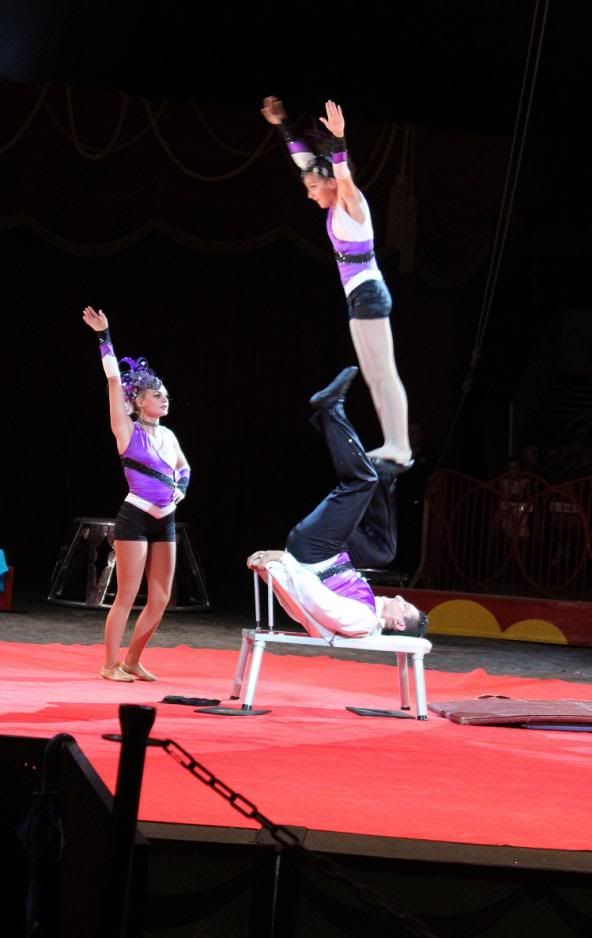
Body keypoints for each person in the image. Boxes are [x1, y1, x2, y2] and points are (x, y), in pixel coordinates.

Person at [261, 95, 412, 471]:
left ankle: (401, 445)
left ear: (329, 182)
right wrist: (282, 126)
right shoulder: (330, 195)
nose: (310, 194)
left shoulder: (351, 201)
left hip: (370, 294)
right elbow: (307, 162)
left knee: (385, 371)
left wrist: (340, 141)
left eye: (314, 188)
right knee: (374, 376)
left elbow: (340, 174)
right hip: (359, 298)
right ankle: (392, 442)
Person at [247, 367, 428, 640]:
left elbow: (318, 601)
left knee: (361, 482)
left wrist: (284, 562)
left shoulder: (362, 620)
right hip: (331, 552)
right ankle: (384, 478)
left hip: (312, 551)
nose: (401, 597)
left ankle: (330, 409)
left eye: (404, 607)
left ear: (399, 624)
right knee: (383, 552)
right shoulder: (369, 608)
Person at [83, 305, 191, 681]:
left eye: (166, 396)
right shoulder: (127, 431)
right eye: (156, 395)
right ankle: (109, 664)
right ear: (139, 401)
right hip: (136, 516)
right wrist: (104, 336)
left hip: (167, 519)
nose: (164, 399)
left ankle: (132, 660)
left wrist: (181, 490)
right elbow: (113, 382)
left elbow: (183, 468)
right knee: (127, 595)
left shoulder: (170, 436)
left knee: (160, 598)